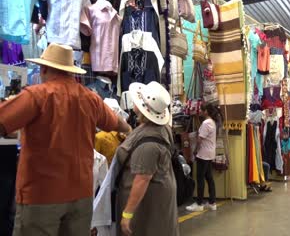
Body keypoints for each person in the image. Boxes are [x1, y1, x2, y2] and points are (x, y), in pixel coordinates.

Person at [0, 43, 132, 236]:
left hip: (41, 195)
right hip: (81, 196)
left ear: (44, 69)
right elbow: (119, 124)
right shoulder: (91, 99)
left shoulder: (36, 95)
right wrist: (130, 129)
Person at [115, 81, 179, 236]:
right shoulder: (158, 128)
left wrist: (128, 214)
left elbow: (142, 179)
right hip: (156, 195)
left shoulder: (148, 144)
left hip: (147, 203)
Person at [186, 103, 222, 212]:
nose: (200, 112)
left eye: (201, 110)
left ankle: (199, 203)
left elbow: (200, 139)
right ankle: (212, 202)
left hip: (203, 154)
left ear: (206, 111)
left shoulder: (206, 123)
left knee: (200, 178)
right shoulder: (212, 122)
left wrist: (195, 150)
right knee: (209, 177)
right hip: (209, 153)